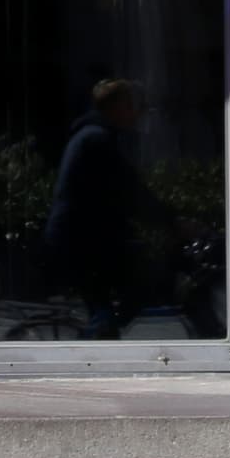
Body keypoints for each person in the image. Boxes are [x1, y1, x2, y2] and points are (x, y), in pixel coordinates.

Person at [42, 79, 165, 337]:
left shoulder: (95, 135)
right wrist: (172, 222)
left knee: (110, 299)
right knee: (112, 303)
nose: (137, 113)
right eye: (133, 106)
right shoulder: (96, 140)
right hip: (78, 241)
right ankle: (94, 343)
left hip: (81, 238)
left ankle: (100, 334)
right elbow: (129, 190)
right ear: (116, 107)